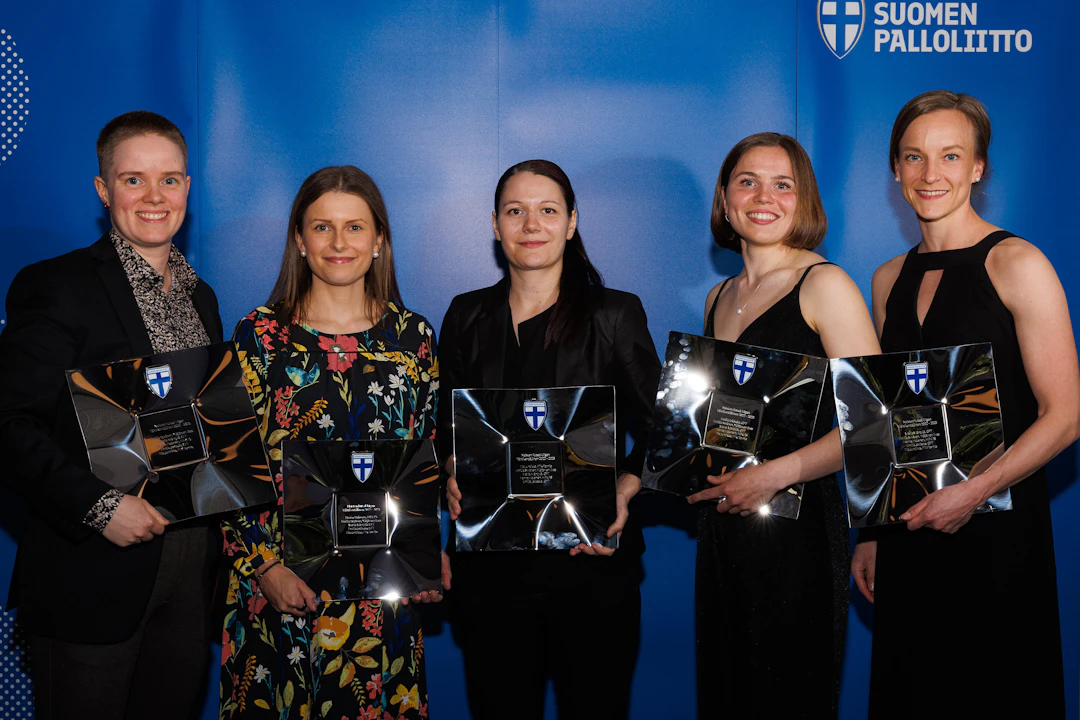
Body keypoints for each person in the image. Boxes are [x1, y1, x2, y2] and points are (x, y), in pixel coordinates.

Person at [851, 91, 1079, 718]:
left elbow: (1064, 416)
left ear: (978, 167)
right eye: (914, 157)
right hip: (909, 531)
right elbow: (883, 417)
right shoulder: (885, 278)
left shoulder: (1017, 262)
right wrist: (870, 532)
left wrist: (972, 492)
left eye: (951, 156)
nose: (931, 175)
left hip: (996, 530)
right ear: (895, 169)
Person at [0, 111, 222, 719]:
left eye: (170, 180)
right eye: (133, 180)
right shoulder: (57, 285)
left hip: (188, 568)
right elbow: (9, 424)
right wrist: (100, 508)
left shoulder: (202, 296)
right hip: (93, 568)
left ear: (187, 187)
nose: (154, 197)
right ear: (103, 189)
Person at [438, 159, 661, 720]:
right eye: (516, 211)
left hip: (590, 563)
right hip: (491, 572)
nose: (530, 224)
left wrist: (626, 489)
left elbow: (664, 422)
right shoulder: (466, 315)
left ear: (571, 222)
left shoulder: (614, 313)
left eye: (547, 211)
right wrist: (447, 472)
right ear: (495, 224)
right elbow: (443, 425)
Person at [219, 166, 439, 720]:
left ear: (380, 238)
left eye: (355, 227)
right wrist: (264, 567)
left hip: (382, 601)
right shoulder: (258, 336)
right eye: (322, 227)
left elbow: (427, 460)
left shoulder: (413, 339)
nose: (339, 243)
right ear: (299, 238)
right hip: (279, 592)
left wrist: (424, 559)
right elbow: (227, 465)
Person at [686, 133, 880, 717]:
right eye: (747, 181)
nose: (763, 196)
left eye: (783, 183)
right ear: (725, 199)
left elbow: (874, 424)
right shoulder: (720, 296)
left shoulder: (825, 284)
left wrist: (775, 475)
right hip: (725, 532)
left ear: (805, 199)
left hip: (800, 536)